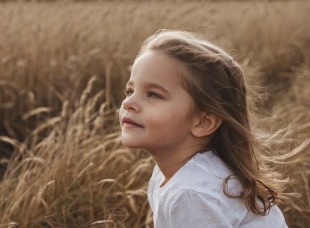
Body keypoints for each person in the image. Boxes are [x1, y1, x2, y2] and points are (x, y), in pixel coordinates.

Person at [119, 30, 290, 227]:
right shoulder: (171, 173)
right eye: (130, 91)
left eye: (153, 95)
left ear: (203, 122)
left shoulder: (191, 193)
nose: (128, 103)